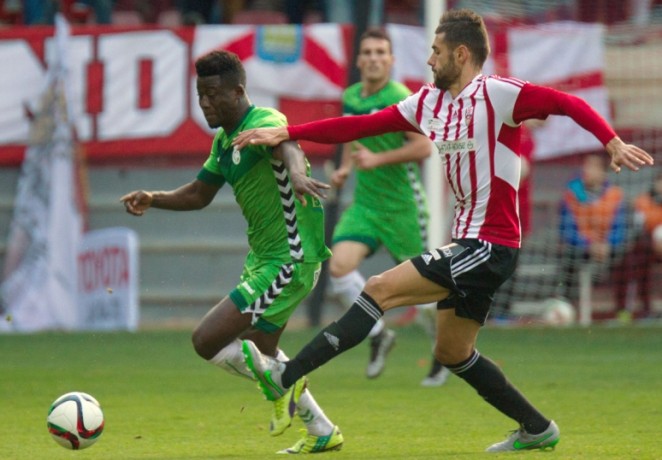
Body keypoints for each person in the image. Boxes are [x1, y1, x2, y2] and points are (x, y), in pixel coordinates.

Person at [233, 8, 654, 453]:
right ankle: (537, 428)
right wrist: (285, 133)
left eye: (435, 51)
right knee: (452, 352)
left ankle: (287, 374)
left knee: (378, 287)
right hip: (471, 244)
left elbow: (568, 103)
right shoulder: (427, 103)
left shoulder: (498, 95)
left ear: (460, 53)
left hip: (490, 244)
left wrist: (610, 140)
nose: (429, 60)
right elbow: (358, 125)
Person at [120, 50, 343, 454]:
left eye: (212, 94)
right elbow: (199, 194)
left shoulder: (264, 122)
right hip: (265, 259)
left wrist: (295, 172)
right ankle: (322, 430)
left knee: (206, 340)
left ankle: (283, 383)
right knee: (263, 353)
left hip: (289, 259)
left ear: (238, 91)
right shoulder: (223, 142)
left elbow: (287, 142)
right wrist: (153, 197)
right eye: (199, 95)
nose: (205, 103)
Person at [326, 28, 438, 382]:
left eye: (380, 52)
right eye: (368, 52)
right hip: (365, 205)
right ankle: (378, 334)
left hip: (403, 207)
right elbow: (350, 134)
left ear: (390, 60)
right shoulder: (352, 97)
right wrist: (344, 168)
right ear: (359, 61)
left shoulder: (401, 98)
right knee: (338, 268)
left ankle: (447, 353)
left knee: (426, 294)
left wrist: (379, 159)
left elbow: (423, 147)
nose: (374, 58)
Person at [557, 153, 630, 311]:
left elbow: (621, 227)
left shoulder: (615, 195)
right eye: (586, 166)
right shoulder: (572, 194)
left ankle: (622, 310)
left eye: (593, 166)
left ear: (604, 172)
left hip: (609, 248)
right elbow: (566, 229)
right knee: (568, 257)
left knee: (630, 258)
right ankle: (566, 307)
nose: (587, 170)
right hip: (581, 247)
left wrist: (608, 244)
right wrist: (589, 244)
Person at [617, 170, 662, 318]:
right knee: (631, 262)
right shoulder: (643, 202)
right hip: (649, 248)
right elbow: (638, 229)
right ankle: (631, 309)